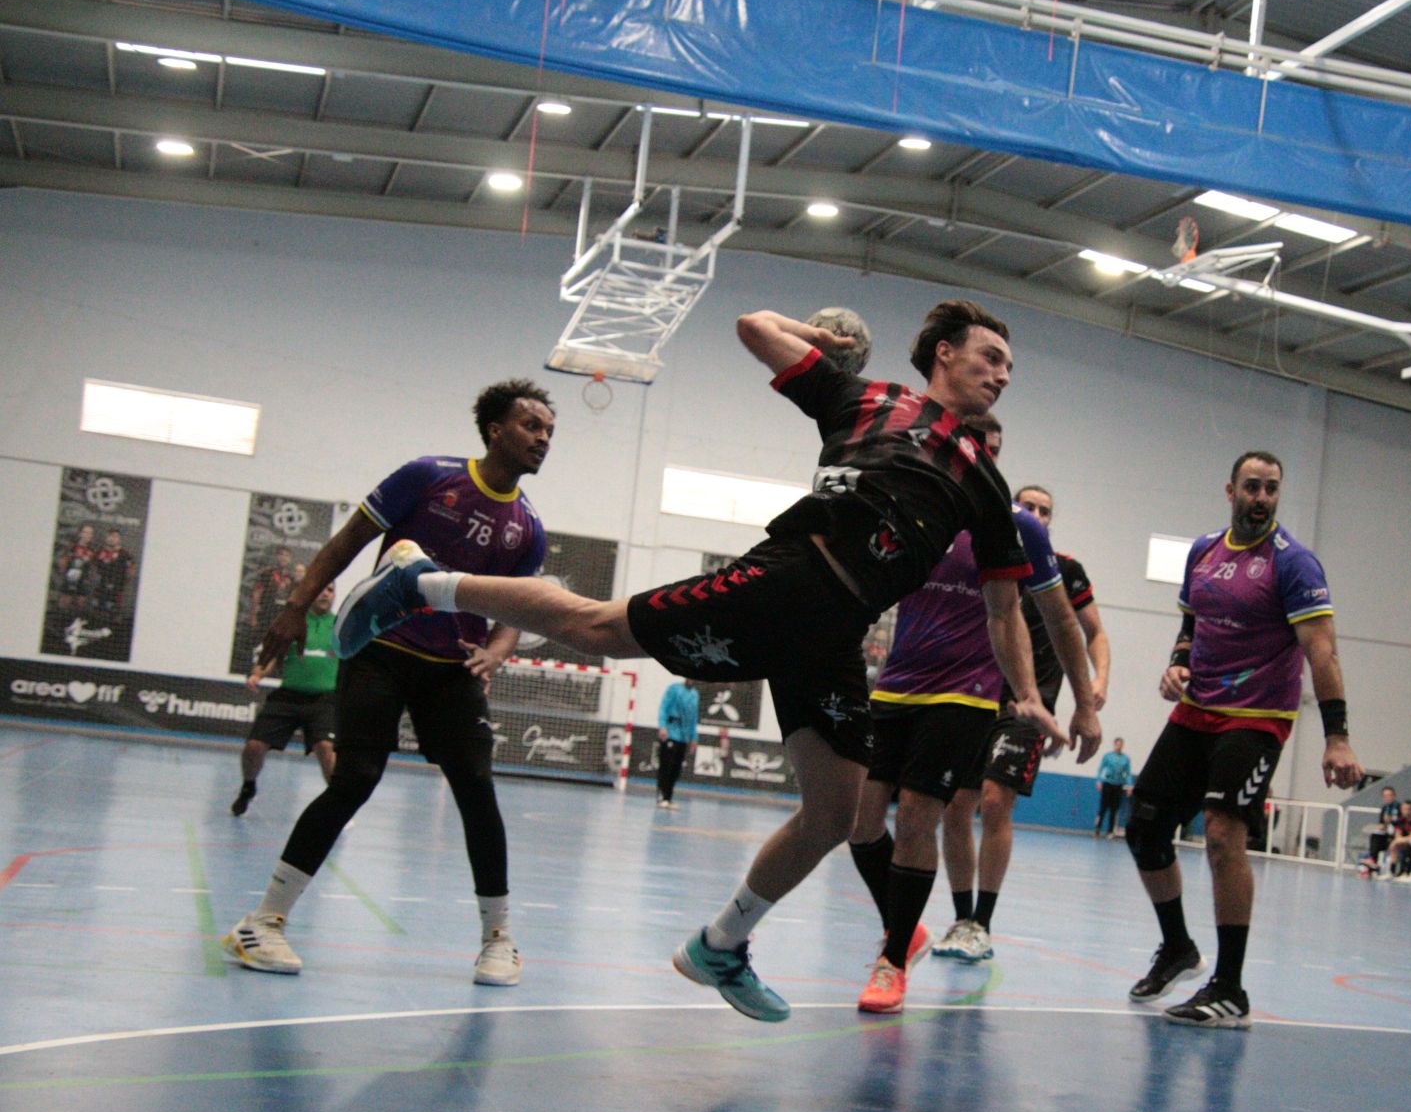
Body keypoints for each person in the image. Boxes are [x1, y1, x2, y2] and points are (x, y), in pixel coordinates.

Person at [333, 300, 1075, 1023]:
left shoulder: (986, 483)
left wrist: (1030, 696)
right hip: (788, 580)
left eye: (1009, 366)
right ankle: (420, 583)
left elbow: (1003, 609)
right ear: (944, 353)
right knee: (598, 627)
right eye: (991, 358)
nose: (1003, 374)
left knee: (836, 813)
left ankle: (721, 944)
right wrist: (822, 338)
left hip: (835, 632)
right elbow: (754, 328)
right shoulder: (868, 399)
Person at [223, 379, 553, 988]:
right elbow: (348, 541)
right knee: (355, 779)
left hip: (451, 668)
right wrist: (296, 605)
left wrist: (496, 653)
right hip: (380, 649)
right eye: (532, 426)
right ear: (494, 431)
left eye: (549, 432)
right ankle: (261, 923)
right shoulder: (428, 475)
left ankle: (499, 940)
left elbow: (520, 610)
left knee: (477, 787)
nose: (543, 439)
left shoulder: (528, 528)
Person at [850, 414, 1098, 1009]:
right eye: (974, 445)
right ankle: (907, 930)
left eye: (994, 449)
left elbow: (1063, 620)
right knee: (857, 820)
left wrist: (1084, 704)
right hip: (895, 686)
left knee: (917, 817)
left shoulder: (1016, 531)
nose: (983, 455)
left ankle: (891, 964)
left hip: (965, 692)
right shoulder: (918, 512)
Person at [1123, 450, 1362, 1029]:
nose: (1261, 498)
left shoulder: (1295, 564)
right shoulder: (1203, 551)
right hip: (1196, 709)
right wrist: (1176, 664)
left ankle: (1229, 987)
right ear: (1229, 489)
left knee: (1224, 833)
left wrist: (1338, 738)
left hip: (1256, 718)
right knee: (1145, 826)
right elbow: (1191, 623)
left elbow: (1322, 651)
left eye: (1271, 489)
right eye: (1252, 487)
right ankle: (1178, 946)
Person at [934, 478, 1111, 962]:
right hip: (973, 695)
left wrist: (1094, 689)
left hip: (1031, 707)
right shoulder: (985, 555)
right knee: (955, 809)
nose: (1035, 514)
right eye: (1027, 506)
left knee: (995, 802)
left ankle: (982, 924)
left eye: (1044, 510)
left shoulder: (1066, 571)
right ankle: (960, 917)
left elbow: (1093, 632)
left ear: (1050, 522)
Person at [232, 584, 339, 817]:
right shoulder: (294, 623)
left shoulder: (340, 625)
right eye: (321, 589)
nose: (325, 593)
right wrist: (257, 674)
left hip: (324, 700)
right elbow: (273, 655)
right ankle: (248, 787)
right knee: (253, 747)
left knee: (326, 748)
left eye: (330, 590)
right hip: (288, 697)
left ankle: (338, 805)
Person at [655, 677, 701, 809]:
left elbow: (693, 718)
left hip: (683, 737)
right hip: (670, 733)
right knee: (666, 766)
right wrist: (662, 726)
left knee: (676, 769)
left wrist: (694, 738)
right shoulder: (674, 689)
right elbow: (664, 707)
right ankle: (661, 796)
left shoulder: (694, 695)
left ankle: (668, 797)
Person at [248, 546, 298, 636]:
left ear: (290, 559)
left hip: (283, 616)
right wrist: (253, 616)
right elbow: (257, 594)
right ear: (276, 557)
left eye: (287, 555)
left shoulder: (291, 577)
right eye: (281, 554)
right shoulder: (267, 573)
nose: (284, 557)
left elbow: (294, 598)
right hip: (266, 613)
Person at [1358, 785, 1400, 876]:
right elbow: (1382, 824)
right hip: (1386, 835)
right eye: (1385, 796)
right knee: (1375, 836)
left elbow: (1401, 824)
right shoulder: (1384, 808)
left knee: (1392, 845)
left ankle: (1391, 871)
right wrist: (1381, 826)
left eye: (1390, 795)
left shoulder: (1398, 807)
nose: (1387, 798)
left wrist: (1391, 821)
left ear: (1394, 796)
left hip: (1396, 836)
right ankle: (1373, 863)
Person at [1381, 800, 1411, 882]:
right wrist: (1397, 841)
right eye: (1404, 809)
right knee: (1395, 845)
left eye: (1408, 809)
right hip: (1406, 842)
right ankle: (1391, 872)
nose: (1406, 811)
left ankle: (1409, 873)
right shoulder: (1401, 820)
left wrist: (1399, 840)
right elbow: (1397, 835)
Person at [1095, 738, 1133, 838]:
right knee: (1103, 808)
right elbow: (1101, 769)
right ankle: (1097, 829)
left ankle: (1110, 831)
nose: (1119, 746)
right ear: (1114, 744)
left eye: (1121, 745)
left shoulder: (1125, 759)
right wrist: (1098, 780)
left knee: (1114, 809)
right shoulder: (1108, 756)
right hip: (1108, 784)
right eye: (1117, 744)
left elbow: (1128, 773)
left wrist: (1129, 785)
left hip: (1118, 786)